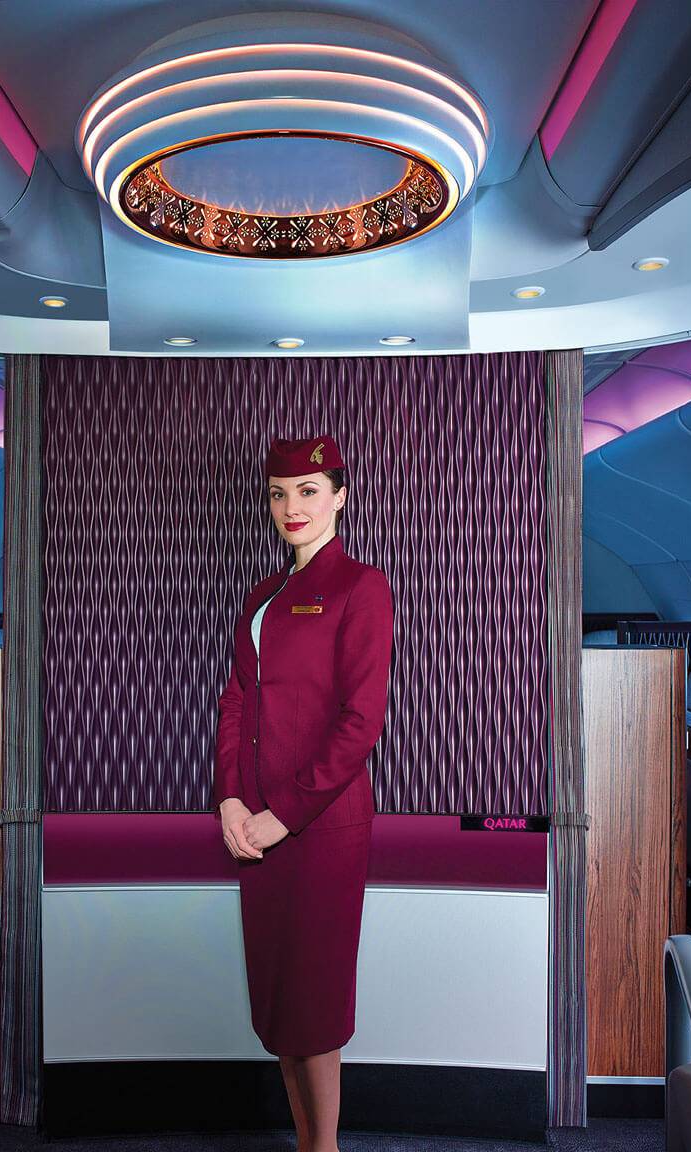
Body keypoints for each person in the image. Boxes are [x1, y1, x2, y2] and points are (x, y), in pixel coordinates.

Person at [212, 434, 395, 1152]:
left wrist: (279, 818)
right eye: (279, 494)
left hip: (318, 832)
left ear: (341, 496)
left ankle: (325, 1150)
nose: (292, 508)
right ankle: (305, 1144)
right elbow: (236, 701)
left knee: (314, 1013)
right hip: (254, 827)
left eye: (309, 491)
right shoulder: (262, 594)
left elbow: (360, 724)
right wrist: (231, 799)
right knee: (283, 1013)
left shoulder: (361, 586)